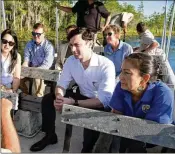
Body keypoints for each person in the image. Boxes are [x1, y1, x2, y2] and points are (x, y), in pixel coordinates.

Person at [30, 27, 116, 152]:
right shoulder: (71, 61)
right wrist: (59, 97)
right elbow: (61, 84)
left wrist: (73, 103)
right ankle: (50, 135)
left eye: (77, 45)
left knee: (88, 143)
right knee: (48, 99)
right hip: (81, 96)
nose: (73, 50)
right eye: (71, 46)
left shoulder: (106, 65)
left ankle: (88, 148)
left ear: (89, 43)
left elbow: (104, 100)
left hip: (99, 104)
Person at [109, 52, 174, 153]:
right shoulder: (122, 86)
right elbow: (116, 117)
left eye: (127, 73)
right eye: (121, 71)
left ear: (145, 78)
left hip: (154, 141)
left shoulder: (162, 93)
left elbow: (154, 129)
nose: (120, 77)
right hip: (127, 134)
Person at [20, 23, 55, 97]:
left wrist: (34, 71)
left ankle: (38, 97)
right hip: (31, 68)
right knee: (18, 74)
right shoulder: (29, 44)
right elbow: (26, 60)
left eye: (38, 34)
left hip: (44, 70)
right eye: (34, 33)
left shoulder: (49, 47)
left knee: (37, 76)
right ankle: (25, 94)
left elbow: (46, 65)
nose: (36, 36)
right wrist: (22, 69)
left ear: (44, 34)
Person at [1, 29, 21, 94]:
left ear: (14, 45)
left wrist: (13, 90)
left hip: (9, 88)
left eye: (11, 43)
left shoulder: (17, 57)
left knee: (7, 103)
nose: (7, 45)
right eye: (4, 41)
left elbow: (16, 77)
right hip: (2, 88)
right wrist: (3, 89)